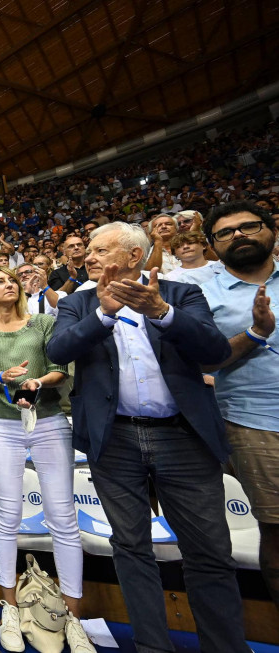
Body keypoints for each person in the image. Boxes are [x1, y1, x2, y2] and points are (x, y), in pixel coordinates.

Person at [46, 222, 250, 652]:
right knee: (131, 549)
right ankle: (153, 647)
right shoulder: (79, 303)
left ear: (134, 256)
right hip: (113, 440)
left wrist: (162, 314)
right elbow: (59, 351)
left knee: (209, 553)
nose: (89, 257)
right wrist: (103, 315)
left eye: (101, 250)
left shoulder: (179, 295)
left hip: (183, 438)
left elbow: (214, 352)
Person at [0, 267, 94, 653]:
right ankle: (10, 608)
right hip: (1, 425)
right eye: (0, 280)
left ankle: (73, 618)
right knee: (6, 517)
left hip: (49, 421)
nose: (9, 283)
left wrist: (36, 382)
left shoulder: (44, 322)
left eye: (13, 280)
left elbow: (60, 370)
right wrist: (2, 377)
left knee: (63, 517)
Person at [198, 201, 279, 608]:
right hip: (256, 421)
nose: (239, 235)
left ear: (271, 228)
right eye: (226, 232)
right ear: (213, 245)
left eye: (249, 226)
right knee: (277, 528)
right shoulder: (203, 292)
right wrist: (256, 333)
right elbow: (206, 359)